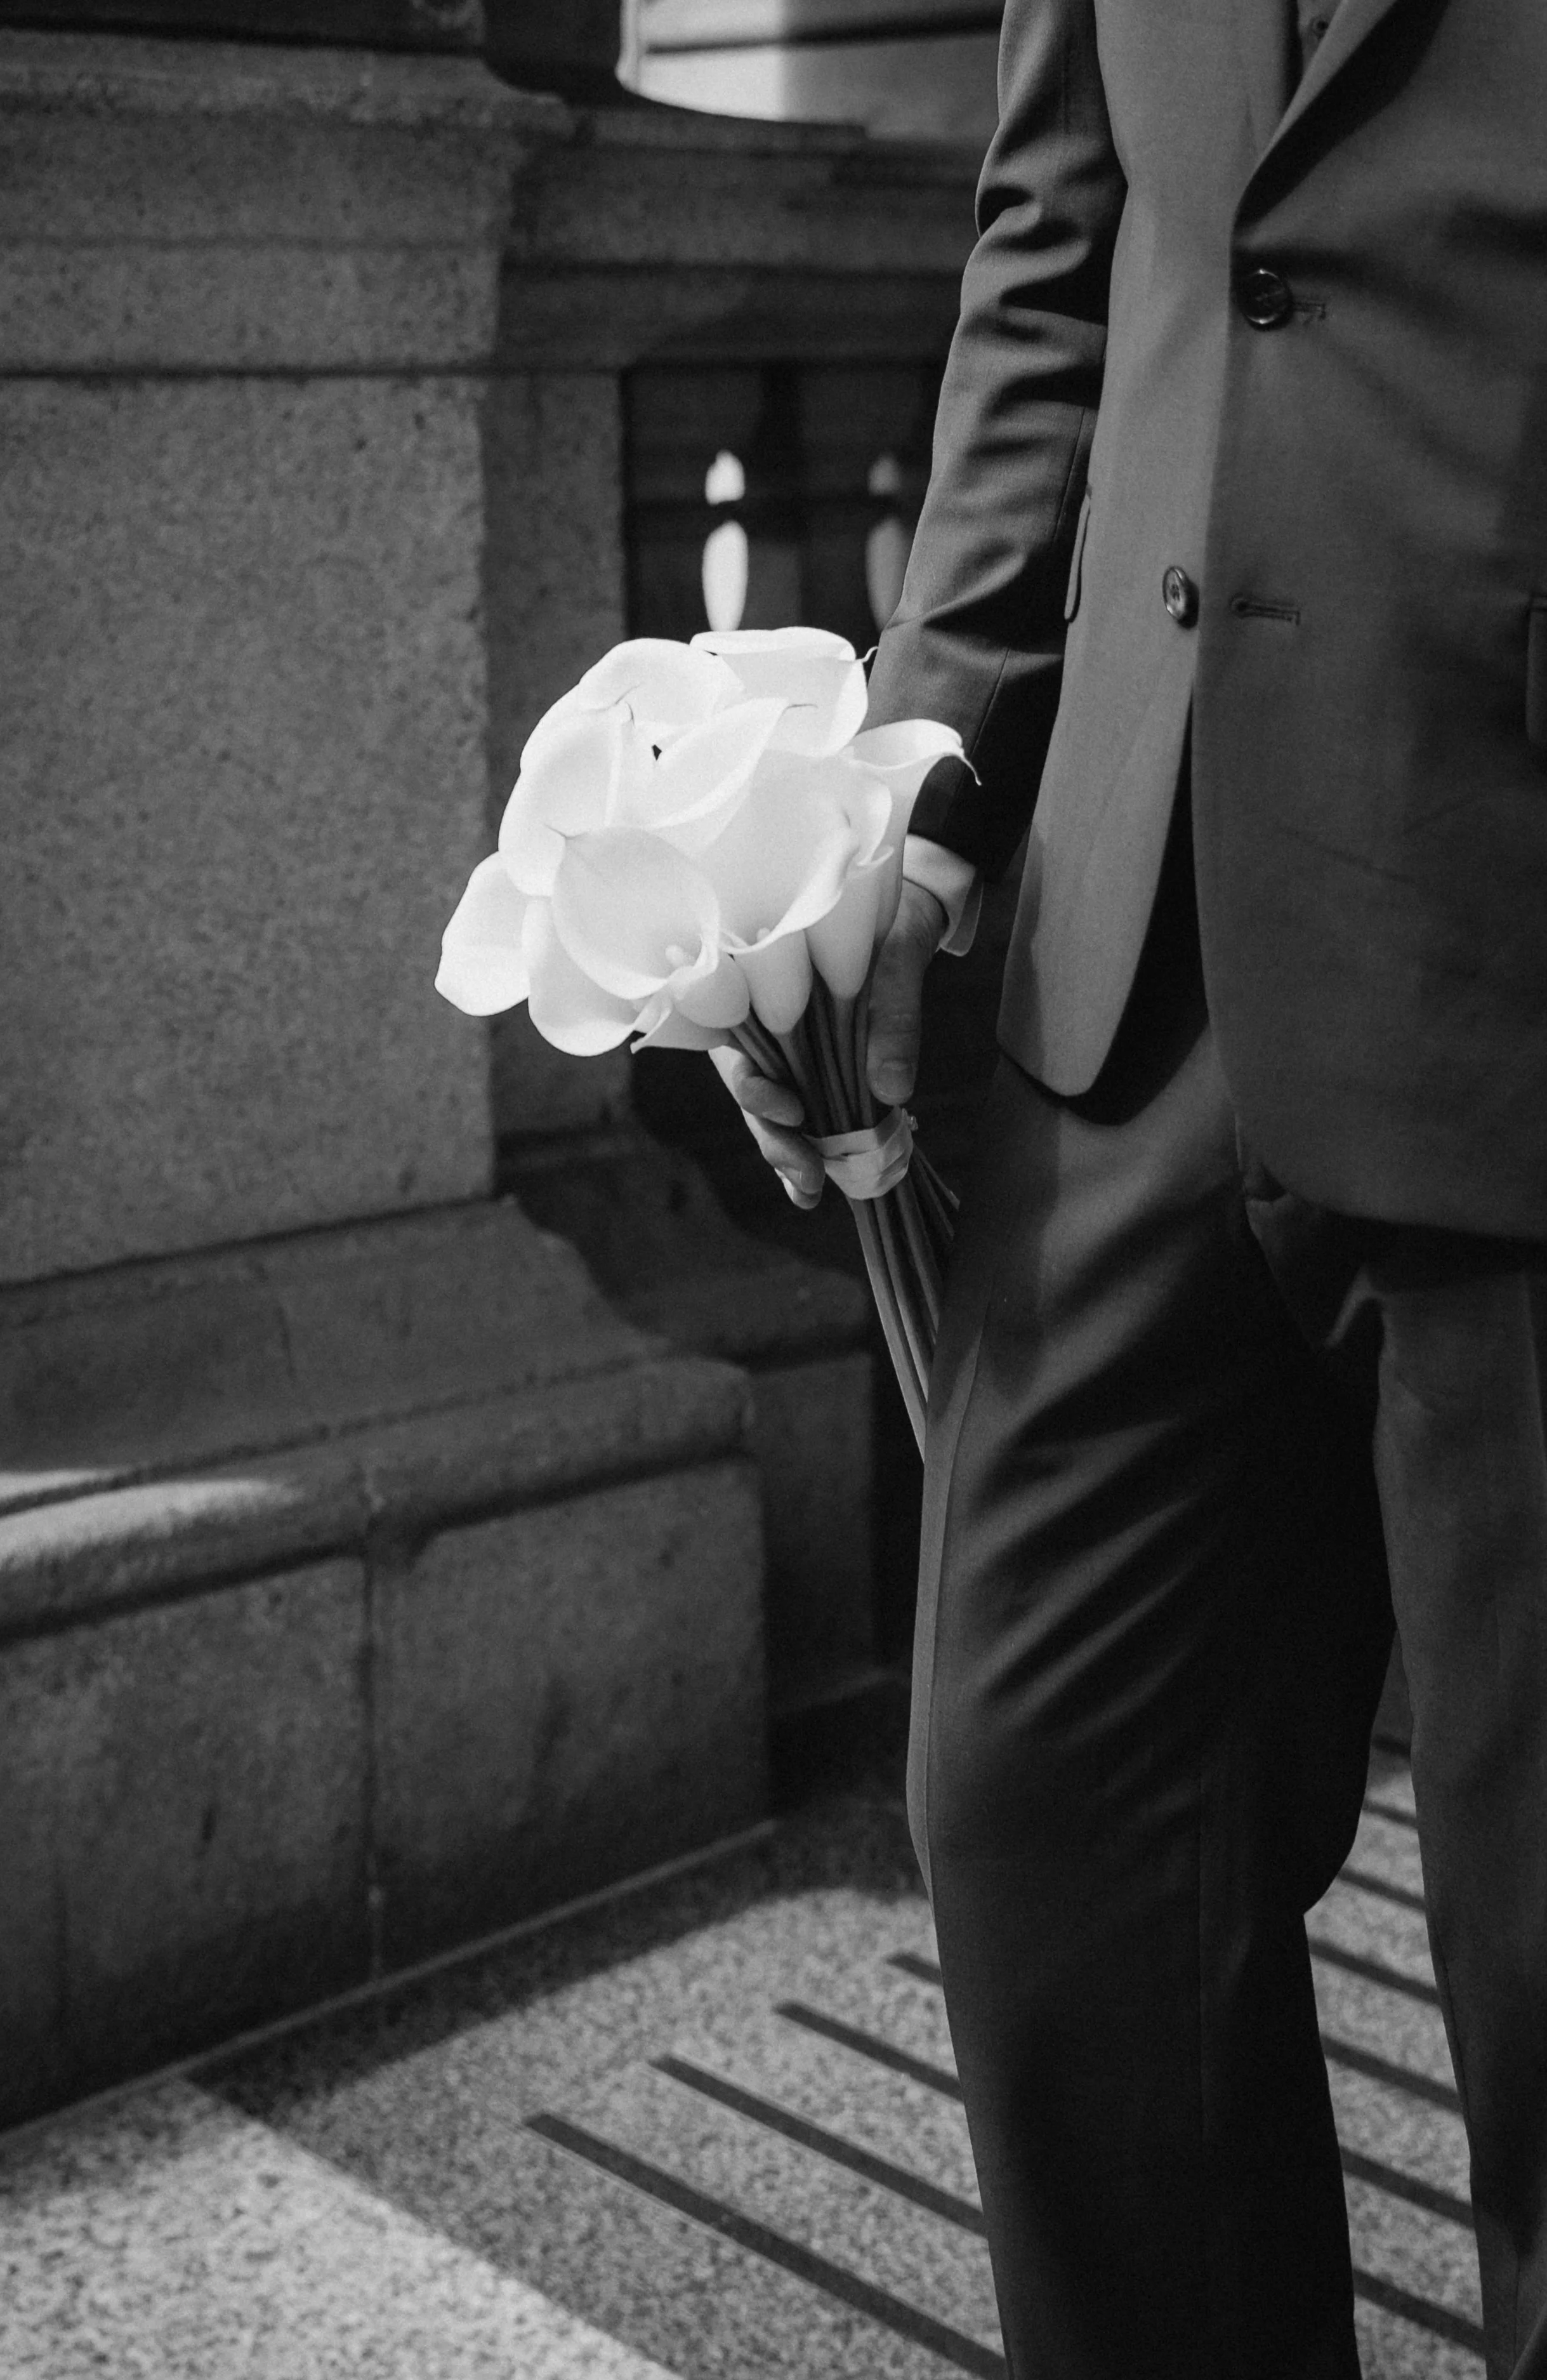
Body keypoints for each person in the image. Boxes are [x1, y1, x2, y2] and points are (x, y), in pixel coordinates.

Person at [712, 1, 1547, 2373]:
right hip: (1127, 958)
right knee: (1040, 1811)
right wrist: (912, 794)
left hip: (1511, 926)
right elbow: (1063, 240)